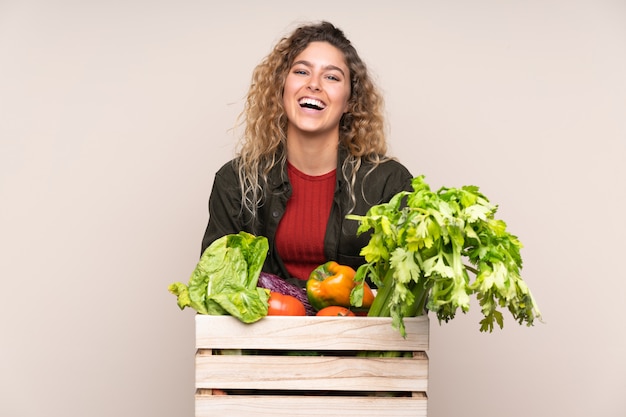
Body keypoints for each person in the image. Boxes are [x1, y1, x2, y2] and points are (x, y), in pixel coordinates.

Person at [201, 21, 413, 287]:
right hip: (264, 329)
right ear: (281, 87)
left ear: (350, 101)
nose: (314, 84)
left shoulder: (389, 185)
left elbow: (407, 297)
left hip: (355, 330)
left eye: (332, 77)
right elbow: (215, 288)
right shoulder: (236, 181)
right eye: (302, 71)